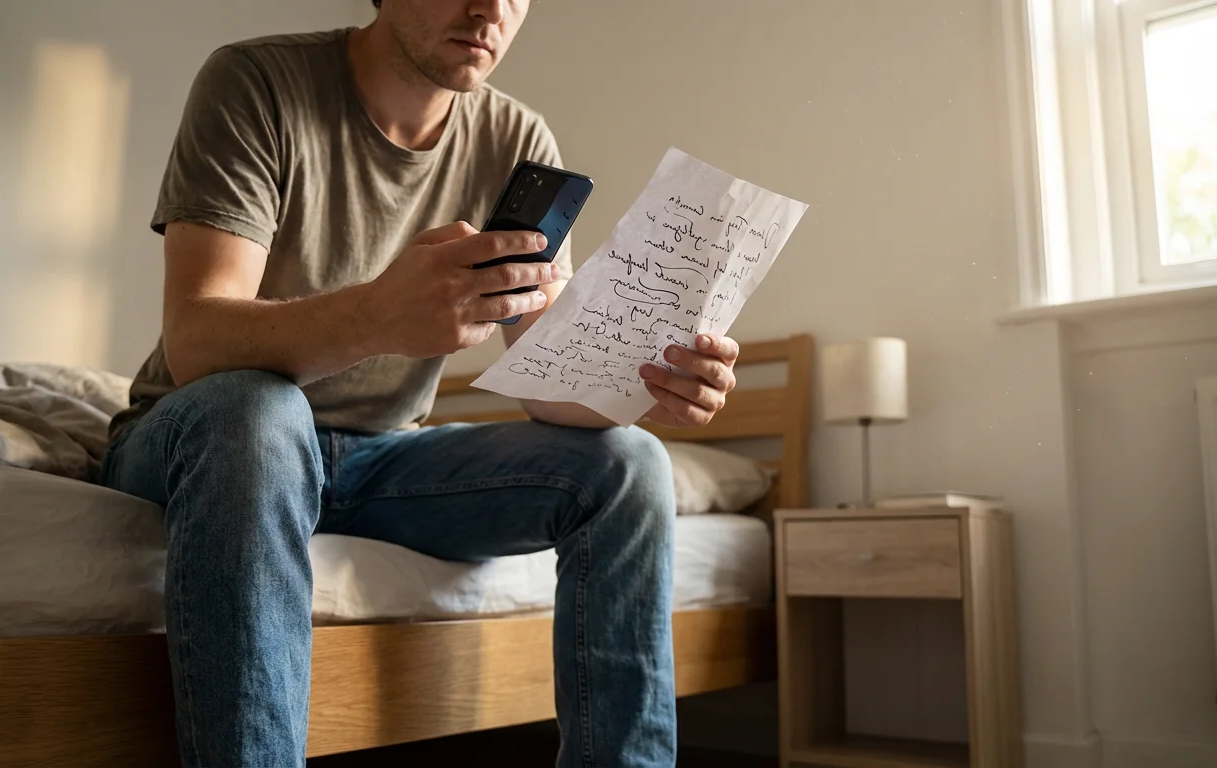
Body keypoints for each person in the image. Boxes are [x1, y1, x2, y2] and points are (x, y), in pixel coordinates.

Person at [101, 1, 743, 765]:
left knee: (630, 465)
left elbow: (546, 380)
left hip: (381, 458)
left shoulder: (517, 140)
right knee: (260, 410)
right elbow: (196, 340)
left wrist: (644, 385)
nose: (490, 9)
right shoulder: (257, 82)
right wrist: (376, 317)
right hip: (208, 433)